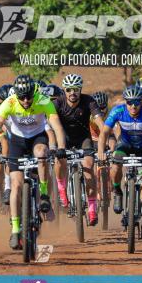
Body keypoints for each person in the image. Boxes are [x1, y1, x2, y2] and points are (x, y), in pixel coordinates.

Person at [0, 74, 68, 250]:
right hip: (17, 142)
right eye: (21, 97)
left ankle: (44, 194)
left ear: (33, 93)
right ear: (16, 95)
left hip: (37, 138)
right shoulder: (9, 103)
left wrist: (61, 148)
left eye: (28, 96)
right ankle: (15, 230)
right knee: (15, 186)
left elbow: (57, 126)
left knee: (41, 153)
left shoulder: (43, 100)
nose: (25, 100)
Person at [95, 85, 142, 240]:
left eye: (137, 102)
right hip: (125, 146)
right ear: (125, 102)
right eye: (130, 102)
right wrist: (101, 151)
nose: (133, 106)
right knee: (115, 163)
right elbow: (104, 133)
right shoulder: (118, 111)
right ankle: (117, 191)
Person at [51, 73, 105, 226]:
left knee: (89, 168)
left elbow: (101, 125)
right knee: (59, 160)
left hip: (83, 139)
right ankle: (62, 188)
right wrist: (54, 146)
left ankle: (92, 209)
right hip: (64, 139)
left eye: (75, 89)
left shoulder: (89, 101)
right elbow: (50, 126)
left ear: (80, 89)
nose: (72, 93)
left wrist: (102, 146)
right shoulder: (57, 103)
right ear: (64, 90)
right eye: (68, 90)